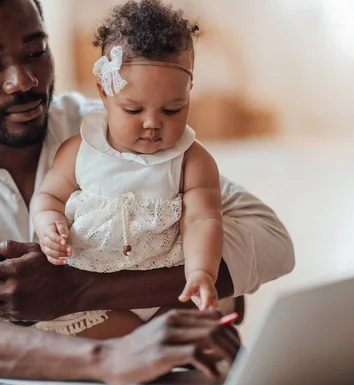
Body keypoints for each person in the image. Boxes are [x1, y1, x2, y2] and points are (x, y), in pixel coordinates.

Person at [0, 0, 294, 385]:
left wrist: (85, 289)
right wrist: (110, 357)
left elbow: (268, 239)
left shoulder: (112, 130)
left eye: (36, 51)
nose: (24, 80)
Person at [31, 1, 222, 339]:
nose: (152, 123)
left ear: (188, 93)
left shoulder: (193, 161)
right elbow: (48, 196)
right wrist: (49, 224)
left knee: (205, 324)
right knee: (98, 336)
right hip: (90, 292)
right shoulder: (79, 152)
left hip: (164, 287)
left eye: (173, 109)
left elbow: (202, 219)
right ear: (105, 93)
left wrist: (201, 271)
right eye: (133, 110)